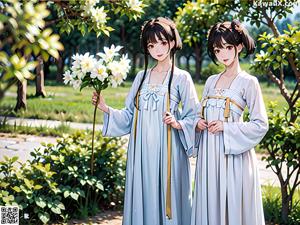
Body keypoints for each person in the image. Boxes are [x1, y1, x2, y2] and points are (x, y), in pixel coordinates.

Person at [92, 17, 198, 225]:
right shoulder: (141, 77)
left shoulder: (181, 77)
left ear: (172, 42)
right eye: (151, 44)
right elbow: (130, 116)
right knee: (144, 194)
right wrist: (105, 108)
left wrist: (178, 123)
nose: (157, 49)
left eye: (162, 42)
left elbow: (194, 115)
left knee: (170, 198)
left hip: (169, 151)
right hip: (140, 153)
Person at [191, 20, 269, 225]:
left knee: (233, 205)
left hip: (233, 157)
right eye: (218, 49)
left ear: (239, 46)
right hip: (208, 157)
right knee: (210, 203)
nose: (223, 54)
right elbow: (199, 114)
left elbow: (261, 124)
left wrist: (226, 127)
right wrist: (198, 123)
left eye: (228, 47)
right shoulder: (210, 81)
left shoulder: (248, 82)